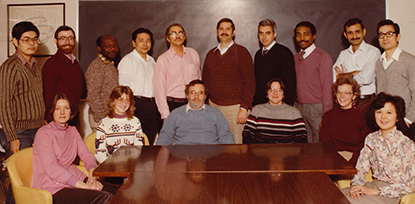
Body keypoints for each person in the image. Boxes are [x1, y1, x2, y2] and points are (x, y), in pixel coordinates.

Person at [32, 92, 118, 204]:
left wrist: (92, 178)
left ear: (71, 111)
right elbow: (53, 169)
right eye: (57, 108)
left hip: (74, 179)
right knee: (105, 198)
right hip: (53, 187)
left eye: (66, 108)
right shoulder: (43, 133)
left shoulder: (72, 131)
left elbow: (87, 155)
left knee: (119, 192)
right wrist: (86, 187)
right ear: (51, 111)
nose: (62, 112)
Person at [341, 93, 415, 204]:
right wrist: (357, 186)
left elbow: (410, 187)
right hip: (373, 185)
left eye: (389, 113)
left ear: (397, 117)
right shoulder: (371, 139)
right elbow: (361, 168)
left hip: (394, 195)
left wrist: (373, 191)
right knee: (332, 195)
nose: (383, 117)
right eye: (379, 112)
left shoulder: (407, 144)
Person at [202, 18, 255, 144]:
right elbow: (205, 82)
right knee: (217, 146)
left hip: (235, 109)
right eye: (221, 29)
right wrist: (207, 108)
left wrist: (244, 108)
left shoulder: (242, 52)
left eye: (228, 29)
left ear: (233, 32)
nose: (224, 32)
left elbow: (250, 82)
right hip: (214, 106)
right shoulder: (211, 54)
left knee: (237, 146)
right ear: (217, 32)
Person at [0, 21, 45, 156]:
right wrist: (12, 137)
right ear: (15, 41)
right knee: (20, 173)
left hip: (38, 129)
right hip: (19, 133)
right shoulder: (10, 67)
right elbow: (4, 105)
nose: (31, 44)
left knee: (37, 172)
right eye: (26, 40)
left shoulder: (34, 65)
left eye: (34, 40)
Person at [156, 80, 234, 145]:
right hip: (182, 159)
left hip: (209, 159)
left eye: (200, 93)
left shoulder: (216, 114)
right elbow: (164, 137)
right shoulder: (175, 114)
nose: (196, 96)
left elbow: (226, 137)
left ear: (205, 96)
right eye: (192, 93)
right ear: (187, 95)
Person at [118, 28, 161, 145]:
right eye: (141, 40)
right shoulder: (128, 61)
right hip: (136, 104)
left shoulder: (152, 61)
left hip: (152, 105)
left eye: (148, 40)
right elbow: (124, 88)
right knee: (136, 142)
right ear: (134, 43)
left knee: (150, 141)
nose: (145, 44)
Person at [375, 19, 415, 141]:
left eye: (389, 34)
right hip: (385, 121)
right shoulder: (379, 62)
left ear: (398, 36)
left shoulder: (409, 61)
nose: (385, 38)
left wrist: (408, 119)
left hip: (404, 122)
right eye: (381, 35)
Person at [294, 21, 333, 143]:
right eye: (298, 35)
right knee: (305, 146)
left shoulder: (323, 56)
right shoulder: (295, 58)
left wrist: (325, 115)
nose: (302, 38)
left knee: (319, 143)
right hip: (300, 107)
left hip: (317, 108)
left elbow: (327, 87)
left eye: (306, 34)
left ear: (313, 36)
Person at [153, 23, 201, 120]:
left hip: (192, 103)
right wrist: (165, 113)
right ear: (168, 38)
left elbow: (199, 79)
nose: (178, 36)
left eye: (180, 33)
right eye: (173, 33)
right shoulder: (163, 59)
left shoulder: (193, 54)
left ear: (184, 36)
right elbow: (159, 89)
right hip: (172, 105)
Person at [320, 76, 372, 165]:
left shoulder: (363, 116)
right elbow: (326, 145)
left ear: (354, 96)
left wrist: (350, 164)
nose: (342, 96)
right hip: (334, 158)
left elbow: (365, 146)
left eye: (347, 93)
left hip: (357, 159)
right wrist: (336, 162)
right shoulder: (329, 116)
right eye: (339, 92)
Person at [42, 25, 86, 126]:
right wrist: (51, 120)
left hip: (73, 117)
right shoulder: (52, 63)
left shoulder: (74, 63)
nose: (67, 42)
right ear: (55, 41)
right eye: (63, 38)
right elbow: (48, 95)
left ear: (74, 40)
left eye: (70, 38)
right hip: (58, 119)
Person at [333, 18, 380, 110]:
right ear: (345, 35)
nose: (354, 36)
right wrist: (352, 74)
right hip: (346, 101)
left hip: (366, 102)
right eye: (350, 33)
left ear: (364, 32)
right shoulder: (343, 54)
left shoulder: (373, 52)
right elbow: (333, 77)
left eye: (357, 32)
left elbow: (366, 78)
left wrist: (343, 76)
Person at [243, 78, 307, 144]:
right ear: (267, 93)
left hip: (286, 152)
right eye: (271, 90)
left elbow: (302, 137)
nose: (275, 93)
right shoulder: (257, 110)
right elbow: (247, 133)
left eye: (279, 90)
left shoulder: (294, 112)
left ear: (283, 94)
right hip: (261, 152)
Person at [95, 86, 144, 164]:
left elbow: (139, 149)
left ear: (131, 103)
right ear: (113, 101)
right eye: (120, 99)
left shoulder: (135, 122)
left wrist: (130, 164)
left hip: (130, 166)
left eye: (127, 100)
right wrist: (111, 165)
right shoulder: (104, 123)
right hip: (110, 168)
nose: (124, 104)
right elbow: (99, 153)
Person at [253, 19, 296, 106]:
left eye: (268, 33)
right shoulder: (258, 54)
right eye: (261, 33)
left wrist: (287, 106)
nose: (264, 37)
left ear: (274, 34)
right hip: (260, 105)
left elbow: (290, 83)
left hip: (278, 105)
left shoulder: (284, 53)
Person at [85, 34, 119, 131]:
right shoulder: (96, 66)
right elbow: (92, 96)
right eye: (108, 46)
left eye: (115, 45)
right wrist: (103, 118)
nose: (112, 48)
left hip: (111, 118)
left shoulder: (110, 65)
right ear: (99, 48)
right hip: (101, 119)